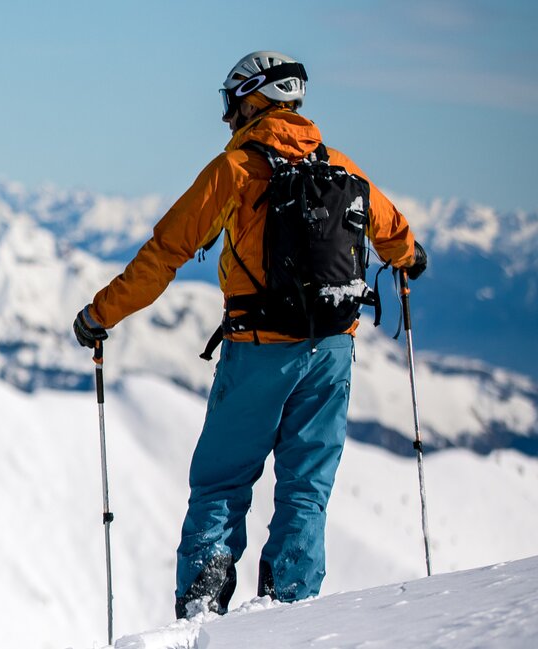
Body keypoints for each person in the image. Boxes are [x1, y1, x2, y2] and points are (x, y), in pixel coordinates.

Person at [71, 51, 427, 618]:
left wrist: (100, 315)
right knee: (306, 488)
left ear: (251, 101)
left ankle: (203, 598)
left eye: (230, 104)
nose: (226, 117)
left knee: (221, 482)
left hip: (259, 348)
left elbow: (165, 254)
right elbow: (397, 236)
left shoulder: (234, 171)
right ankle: (291, 607)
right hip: (334, 349)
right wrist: (411, 260)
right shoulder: (341, 166)